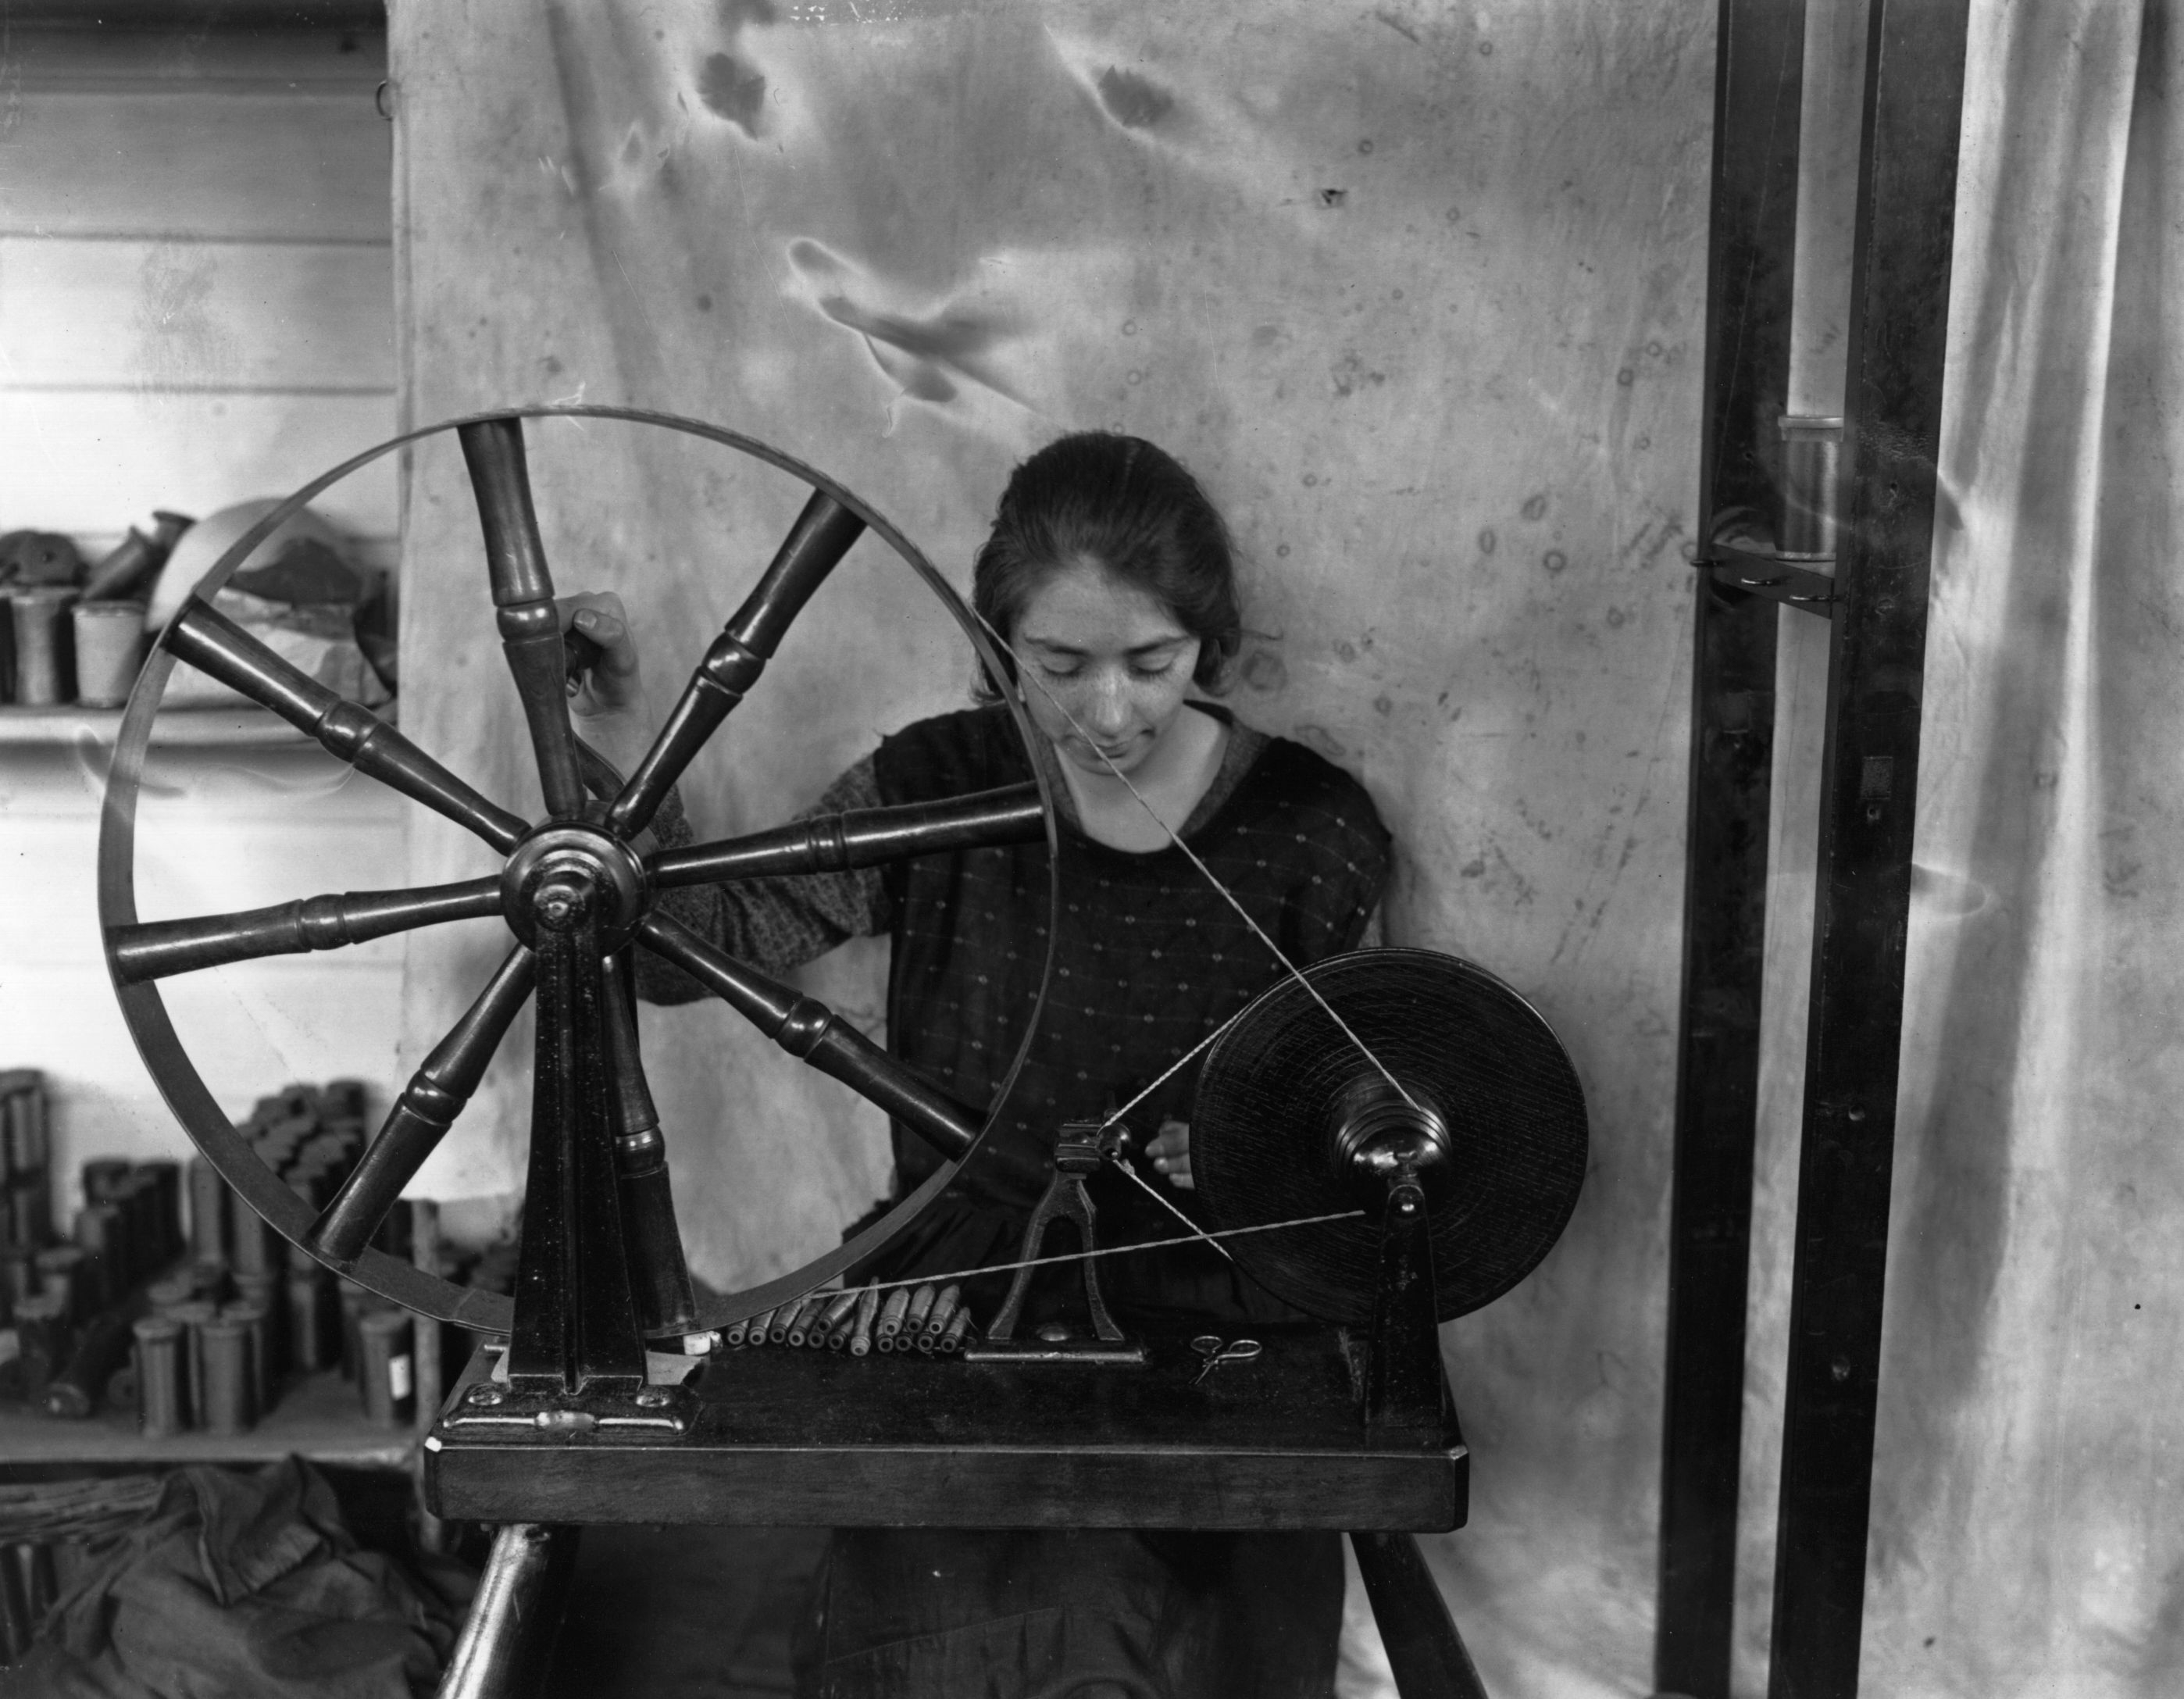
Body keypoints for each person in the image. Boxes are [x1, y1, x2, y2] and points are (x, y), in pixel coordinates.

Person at [565, 431, 1391, 1698]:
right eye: (1058, 666)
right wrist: (610, 735)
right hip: (957, 1325)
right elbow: (699, 951)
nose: (1107, 712)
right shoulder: (936, 785)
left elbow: (1369, 1120)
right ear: (997, 642)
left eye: (1151, 664)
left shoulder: (1312, 832)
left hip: (1225, 1343)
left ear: (1209, 644)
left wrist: (1251, 1148)